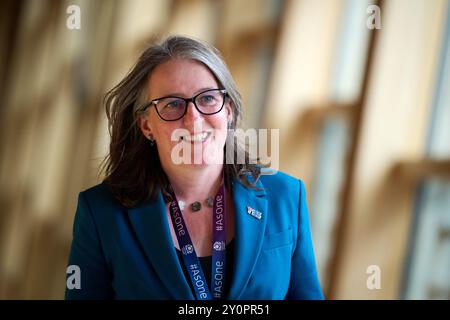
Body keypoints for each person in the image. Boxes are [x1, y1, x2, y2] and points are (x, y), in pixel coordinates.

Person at [65, 35, 324, 300]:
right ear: (146, 126)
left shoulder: (286, 195)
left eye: (208, 99)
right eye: (172, 104)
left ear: (229, 111)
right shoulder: (101, 213)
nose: (194, 120)